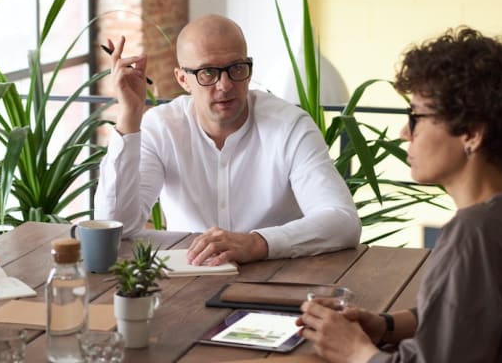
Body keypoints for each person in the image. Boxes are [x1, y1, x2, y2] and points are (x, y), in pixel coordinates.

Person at [297, 27, 502, 362]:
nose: (405, 132)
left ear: (472, 134)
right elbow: (470, 316)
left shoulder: (475, 233)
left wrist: (356, 352)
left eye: (416, 116)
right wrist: (385, 325)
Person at [95, 14, 360, 265]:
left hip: (275, 277)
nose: (225, 85)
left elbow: (342, 221)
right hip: (188, 280)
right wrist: (129, 116)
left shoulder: (290, 126)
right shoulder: (162, 126)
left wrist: (257, 243)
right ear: (183, 79)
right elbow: (115, 227)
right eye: (208, 72)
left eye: (236, 68)